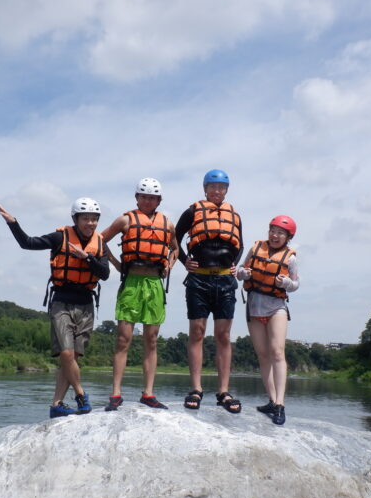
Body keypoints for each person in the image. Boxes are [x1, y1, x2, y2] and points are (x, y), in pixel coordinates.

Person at [0, 198, 110, 418]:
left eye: (94, 219)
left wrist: (86, 258)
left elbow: (104, 274)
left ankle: (56, 404)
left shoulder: (100, 243)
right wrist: (13, 223)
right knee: (66, 353)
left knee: (73, 358)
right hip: (62, 302)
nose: (91, 223)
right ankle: (81, 395)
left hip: (86, 304)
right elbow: (28, 243)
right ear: (75, 219)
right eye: (86, 218)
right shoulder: (61, 237)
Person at [100, 178, 179, 411]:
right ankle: (115, 393)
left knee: (151, 340)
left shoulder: (167, 223)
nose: (148, 201)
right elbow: (100, 240)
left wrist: (169, 264)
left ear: (159, 200)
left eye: (152, 197)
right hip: (132, 282)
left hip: (154, 283)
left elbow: (175, 249)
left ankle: (148, 393)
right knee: (123, 338)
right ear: (137, 198)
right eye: (144, 196)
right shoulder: (125, 220)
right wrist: (115, 262)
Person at [174, 169, 244, 413]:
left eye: (221, 187)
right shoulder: (193, 211)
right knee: (197, 331)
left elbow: (240, 244)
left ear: (226, 190)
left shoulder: (234, 214)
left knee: (224, 335)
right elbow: (175, 237)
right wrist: (184, 260)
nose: (217, 190)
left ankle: (223, 391)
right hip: (199, 280)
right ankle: (196, 388)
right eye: (212, 186)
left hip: (225, 281)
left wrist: (234, 264)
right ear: (205, 188)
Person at [236, 215, 299, 425]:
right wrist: (244, 273)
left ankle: (280, 404)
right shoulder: (255, 249)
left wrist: (287, 283)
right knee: (263, 355)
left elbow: (296, 284)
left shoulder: (290, 258)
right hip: (255, 306)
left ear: (288, 237)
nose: (275, 235)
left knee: (277, 352)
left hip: (276, 308)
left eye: (280, 233)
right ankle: (271, 400)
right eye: (273, 230)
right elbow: (240, 272)